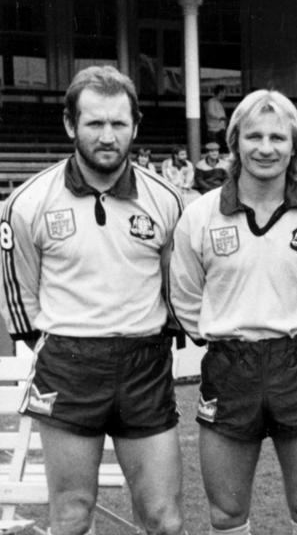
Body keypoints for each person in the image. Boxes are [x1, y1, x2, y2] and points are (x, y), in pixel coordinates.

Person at [0, 65, 187, 535]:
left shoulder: (167, 200)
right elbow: (18, 294)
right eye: (95, 123)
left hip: (144, 364)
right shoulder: (27, 202)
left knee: (164, 519)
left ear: (135, 127)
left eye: (119, 124)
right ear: (70, 125)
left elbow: (177, 286)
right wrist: (61, 342)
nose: (108, 136)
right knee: (71, 515)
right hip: (69, 363)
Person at [169, 89, 297, 535]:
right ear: (235, 142)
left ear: (295, 146)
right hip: (230, 367)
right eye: (254, 135)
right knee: (227, 515)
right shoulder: (200, 216)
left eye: (278, 136)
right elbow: (185, 295)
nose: (266, 147)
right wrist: (225, 331)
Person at [205, 85, 228, 149]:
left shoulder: (218, 102)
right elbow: (211, 112)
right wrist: (221, 117)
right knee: (214, 148)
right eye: (224, 92)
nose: (225, 94)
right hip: (213, 130)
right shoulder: (211, 101)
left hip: (221, 129)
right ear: (220, 92)